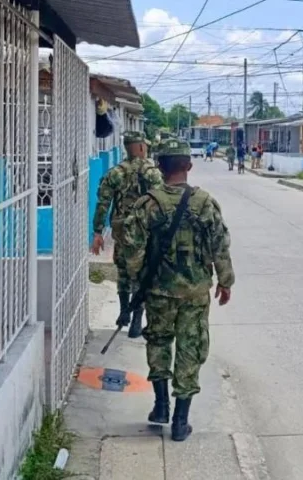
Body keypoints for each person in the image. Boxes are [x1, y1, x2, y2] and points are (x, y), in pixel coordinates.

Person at [122, 138, 235, 442]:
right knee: (190, 348)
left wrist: (138, 280)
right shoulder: (205, 203)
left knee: (158, 342)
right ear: (188, 165)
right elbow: (219, 246)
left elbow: (131, 248)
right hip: (195, 292)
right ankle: (180, 421)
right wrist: (225, 281)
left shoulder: (147, 204)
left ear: (159, 166)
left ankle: (160, 406)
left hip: (158, 291)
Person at [91, 131, 164, 338]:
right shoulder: (153, 174)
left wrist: (97, 232)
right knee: (143, 274)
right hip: (146, 233)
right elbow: (162, 205)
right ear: (141, 147)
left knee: (123, 272)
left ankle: (124, 312)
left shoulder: (115, 173)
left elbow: (103, 204)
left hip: (122, 231)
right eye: (145, 146)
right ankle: (137, 320)